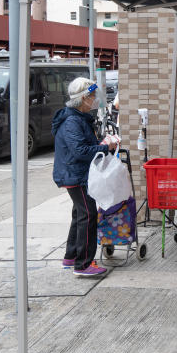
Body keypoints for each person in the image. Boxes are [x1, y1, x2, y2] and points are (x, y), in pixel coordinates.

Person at [52, 77, 116, 278]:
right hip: (76, 175)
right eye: (92, 96)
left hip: (75, 173)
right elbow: (80, 151)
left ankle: (71, 256)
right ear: (83, 99)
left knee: (79, 214)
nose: (95, 99)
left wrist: (101, 143)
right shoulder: (73, 121)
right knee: (88, 215)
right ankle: (83, 264)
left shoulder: (77, 118)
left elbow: (82, 146)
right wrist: (105, 148)